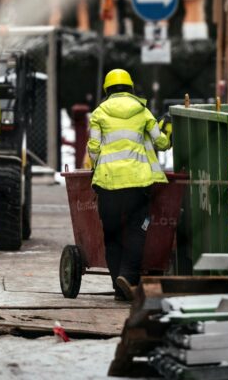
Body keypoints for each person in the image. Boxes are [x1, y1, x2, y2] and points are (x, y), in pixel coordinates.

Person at [87, 69, 172, 301]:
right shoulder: (143, 112)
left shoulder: (99, 113)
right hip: (138, 184)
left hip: (108, 184)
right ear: (131, 88)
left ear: (107, 89)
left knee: (112, 235)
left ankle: (118, 287)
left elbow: (93, 148)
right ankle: (129, 276)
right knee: (137, 231)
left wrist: (100, 168)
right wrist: (167, 128)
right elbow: (161, 142)